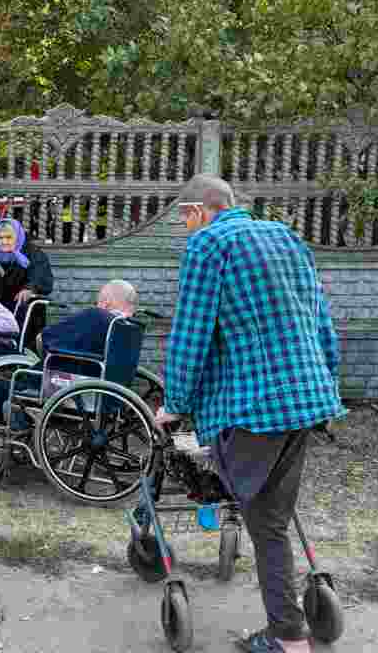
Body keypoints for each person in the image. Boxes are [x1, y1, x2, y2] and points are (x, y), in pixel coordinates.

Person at [154, 175, 345, 653]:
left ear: (201, 210)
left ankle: (287, 636)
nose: (183, 225)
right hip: (306, 399)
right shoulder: (287, 237)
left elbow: (190, 334)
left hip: (252, 408)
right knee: (273, 520)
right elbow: (321, 321)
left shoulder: (207, 245)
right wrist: (325, 379)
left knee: (265, 523)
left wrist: (174, 405)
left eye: (184, 215)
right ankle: (292, 626)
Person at [0, 280, 138, 453]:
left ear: (106, 302)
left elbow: (46, 338)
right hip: (97, 397)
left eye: (98, 300)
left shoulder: (97, 316)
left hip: (44, 391)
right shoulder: (129, 328)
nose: (97, 304)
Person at [0, 217, 53, 351]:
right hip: (0, 305)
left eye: (9, 237)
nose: (4, 242)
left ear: (18, 236)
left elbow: (41, 276)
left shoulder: (33, 253)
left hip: (23, 308)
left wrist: (30, 288)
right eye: (0, 237)